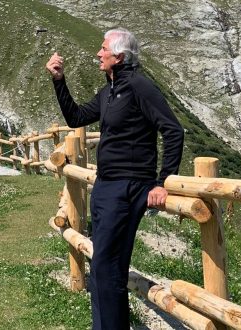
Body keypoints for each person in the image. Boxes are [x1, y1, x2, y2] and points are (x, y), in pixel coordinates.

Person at [46, 28, 184, 330]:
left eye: (103, 49)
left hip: (128, 188)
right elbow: (77, 117)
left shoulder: (138, 86)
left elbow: (173, 130)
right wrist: (59, 80)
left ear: (119, 56)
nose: (98, 53)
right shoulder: (109, 90)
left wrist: (163, 181)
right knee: (106, 269)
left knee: (106, 270)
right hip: (107, 187)